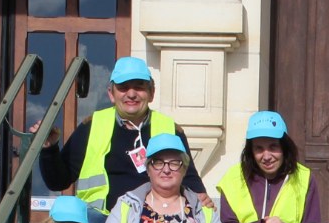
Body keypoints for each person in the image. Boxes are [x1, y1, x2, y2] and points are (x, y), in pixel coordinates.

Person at [38, 55, 205, 213]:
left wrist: (202, 199)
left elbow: (191, 182)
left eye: (139, 87)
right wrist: (49, 149)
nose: (131, 94)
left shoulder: (170, 129)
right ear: (111, 94)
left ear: (152, 93)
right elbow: (58, 181)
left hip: (154, 222)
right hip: (100, 221)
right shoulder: (92, 126)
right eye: (123, 88)